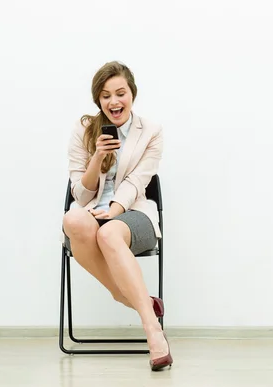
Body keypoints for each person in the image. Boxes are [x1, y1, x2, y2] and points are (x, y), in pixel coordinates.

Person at [62, 61, 172, 371]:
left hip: (133, 214)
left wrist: (113, 211)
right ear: (98, 100)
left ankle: (152, 329)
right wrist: (97, 157)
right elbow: (80, 195)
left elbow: (139, 182)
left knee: (108, 233)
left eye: (120, 93)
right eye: (106, 96)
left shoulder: (151, 131)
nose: (114, 102)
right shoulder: (83, 129)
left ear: (132, 94)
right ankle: (125, 296)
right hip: (91, 211)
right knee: (72, 220)